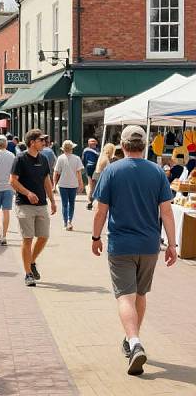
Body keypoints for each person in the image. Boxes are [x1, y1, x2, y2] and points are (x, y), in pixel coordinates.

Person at [91, 125, 177, 376]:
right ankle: (132, 340)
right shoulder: (157, 172)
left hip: (121, 244)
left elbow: (100, 210)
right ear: (145, 144)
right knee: (140, 294)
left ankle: (134, 341)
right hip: (149, 245)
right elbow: (167, 211)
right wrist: (172, 244)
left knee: (124, 297)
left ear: (123, 144)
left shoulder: (112, 171)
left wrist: (96, 237)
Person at [10, 129, 56, 287]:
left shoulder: (43, 159)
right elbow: (13, 181)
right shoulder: (20, 159)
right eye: (41, 140)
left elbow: (46, 181)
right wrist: (28, 193)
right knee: (27, 239)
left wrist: (52, 200)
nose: (44, 143)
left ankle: (32, 261)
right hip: (24, 205)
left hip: (41, 204)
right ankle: (28, 273)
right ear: (32, 142)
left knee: (43, 236)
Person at [53, 140, 84, 230]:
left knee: (64, 204)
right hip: (73, 184)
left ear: (63, 149)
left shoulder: (60, 158)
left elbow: (56, 172)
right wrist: (80, 184)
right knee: (72, 203)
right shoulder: (77, 158)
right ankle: (70, 221)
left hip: (62, 184)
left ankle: (65, 223)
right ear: (72, 149)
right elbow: (79, 173)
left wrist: (54, 185)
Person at [82, 138, 100, 210]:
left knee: (93, 186)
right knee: (92, 186)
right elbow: (84, 160)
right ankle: (90, 201)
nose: (94, 144)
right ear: (89, 144)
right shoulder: (91, 151)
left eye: (95, 143)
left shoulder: (95, 150)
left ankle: (91, 201)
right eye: (93, 143)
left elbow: (83, 160)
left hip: (93, 169)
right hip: (92, 170)